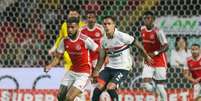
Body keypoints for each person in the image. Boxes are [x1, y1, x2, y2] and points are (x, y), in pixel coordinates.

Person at [92, 16, 152, 101]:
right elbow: (101, 57)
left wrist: (146, 56)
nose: (106, 26)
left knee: (110, 87)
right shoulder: (103, 40)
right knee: (98, 88)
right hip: (110, 67)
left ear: (114, 25)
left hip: (123, 68)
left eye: (109, 24)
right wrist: (96, 70)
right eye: (104, 24)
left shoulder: (122, 36)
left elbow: (136, 43)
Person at [44, 17, 98, 101]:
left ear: (77, 27)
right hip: (72, 71)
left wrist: (96, 70)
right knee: (60, 96)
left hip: (84, 73)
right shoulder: (64, 41)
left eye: (72, 27)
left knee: (69, 98)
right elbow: (58, 57)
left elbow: (99, 51)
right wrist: (50, 65)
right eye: (68, 27)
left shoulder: (85, 39)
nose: (69, 29)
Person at [140, 11, 169, 101]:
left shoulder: (158, 31)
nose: (146, 20)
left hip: (160, 60)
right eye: (145, 18)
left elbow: (166, 46)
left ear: (153, 19)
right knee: (145, 85)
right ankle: (156, 91)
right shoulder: (142, 29)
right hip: (148, 60)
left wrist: (155, 53)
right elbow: (142, 43)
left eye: (149, 18)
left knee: (160, 87)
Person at [80, 10, 105, 100]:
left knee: (100, 83)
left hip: (98, 60)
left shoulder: (101, 29)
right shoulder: (82, 30)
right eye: (89, 17)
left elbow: (105, 43)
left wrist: (106, 57)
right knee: (87, 83)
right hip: (87, 60)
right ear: (86, 19)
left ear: (95, 19)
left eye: (92, 17)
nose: (90, 19)